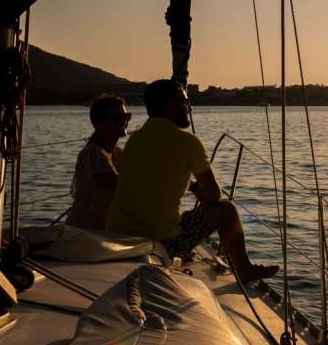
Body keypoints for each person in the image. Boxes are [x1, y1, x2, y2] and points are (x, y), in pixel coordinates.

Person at [107, 79, 278, 283]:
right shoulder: (188, 143)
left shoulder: (135, 140)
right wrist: (203, 197)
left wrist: (192, 187)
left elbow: (157, 177)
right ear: (171, 105)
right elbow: (214, 195)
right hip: (161, 242)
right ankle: (245, 269)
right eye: (185, 102)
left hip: (118, 237)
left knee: (182, 216)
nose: (189, 108)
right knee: (227, 211)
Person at [67, 95, 129, 230]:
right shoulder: (92, 153)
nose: (124, 121)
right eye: (118, 118)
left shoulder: (118, 153)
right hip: (85, 233)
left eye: (127, 117)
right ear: (100, 123)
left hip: (106, 231)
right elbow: (121, 186)